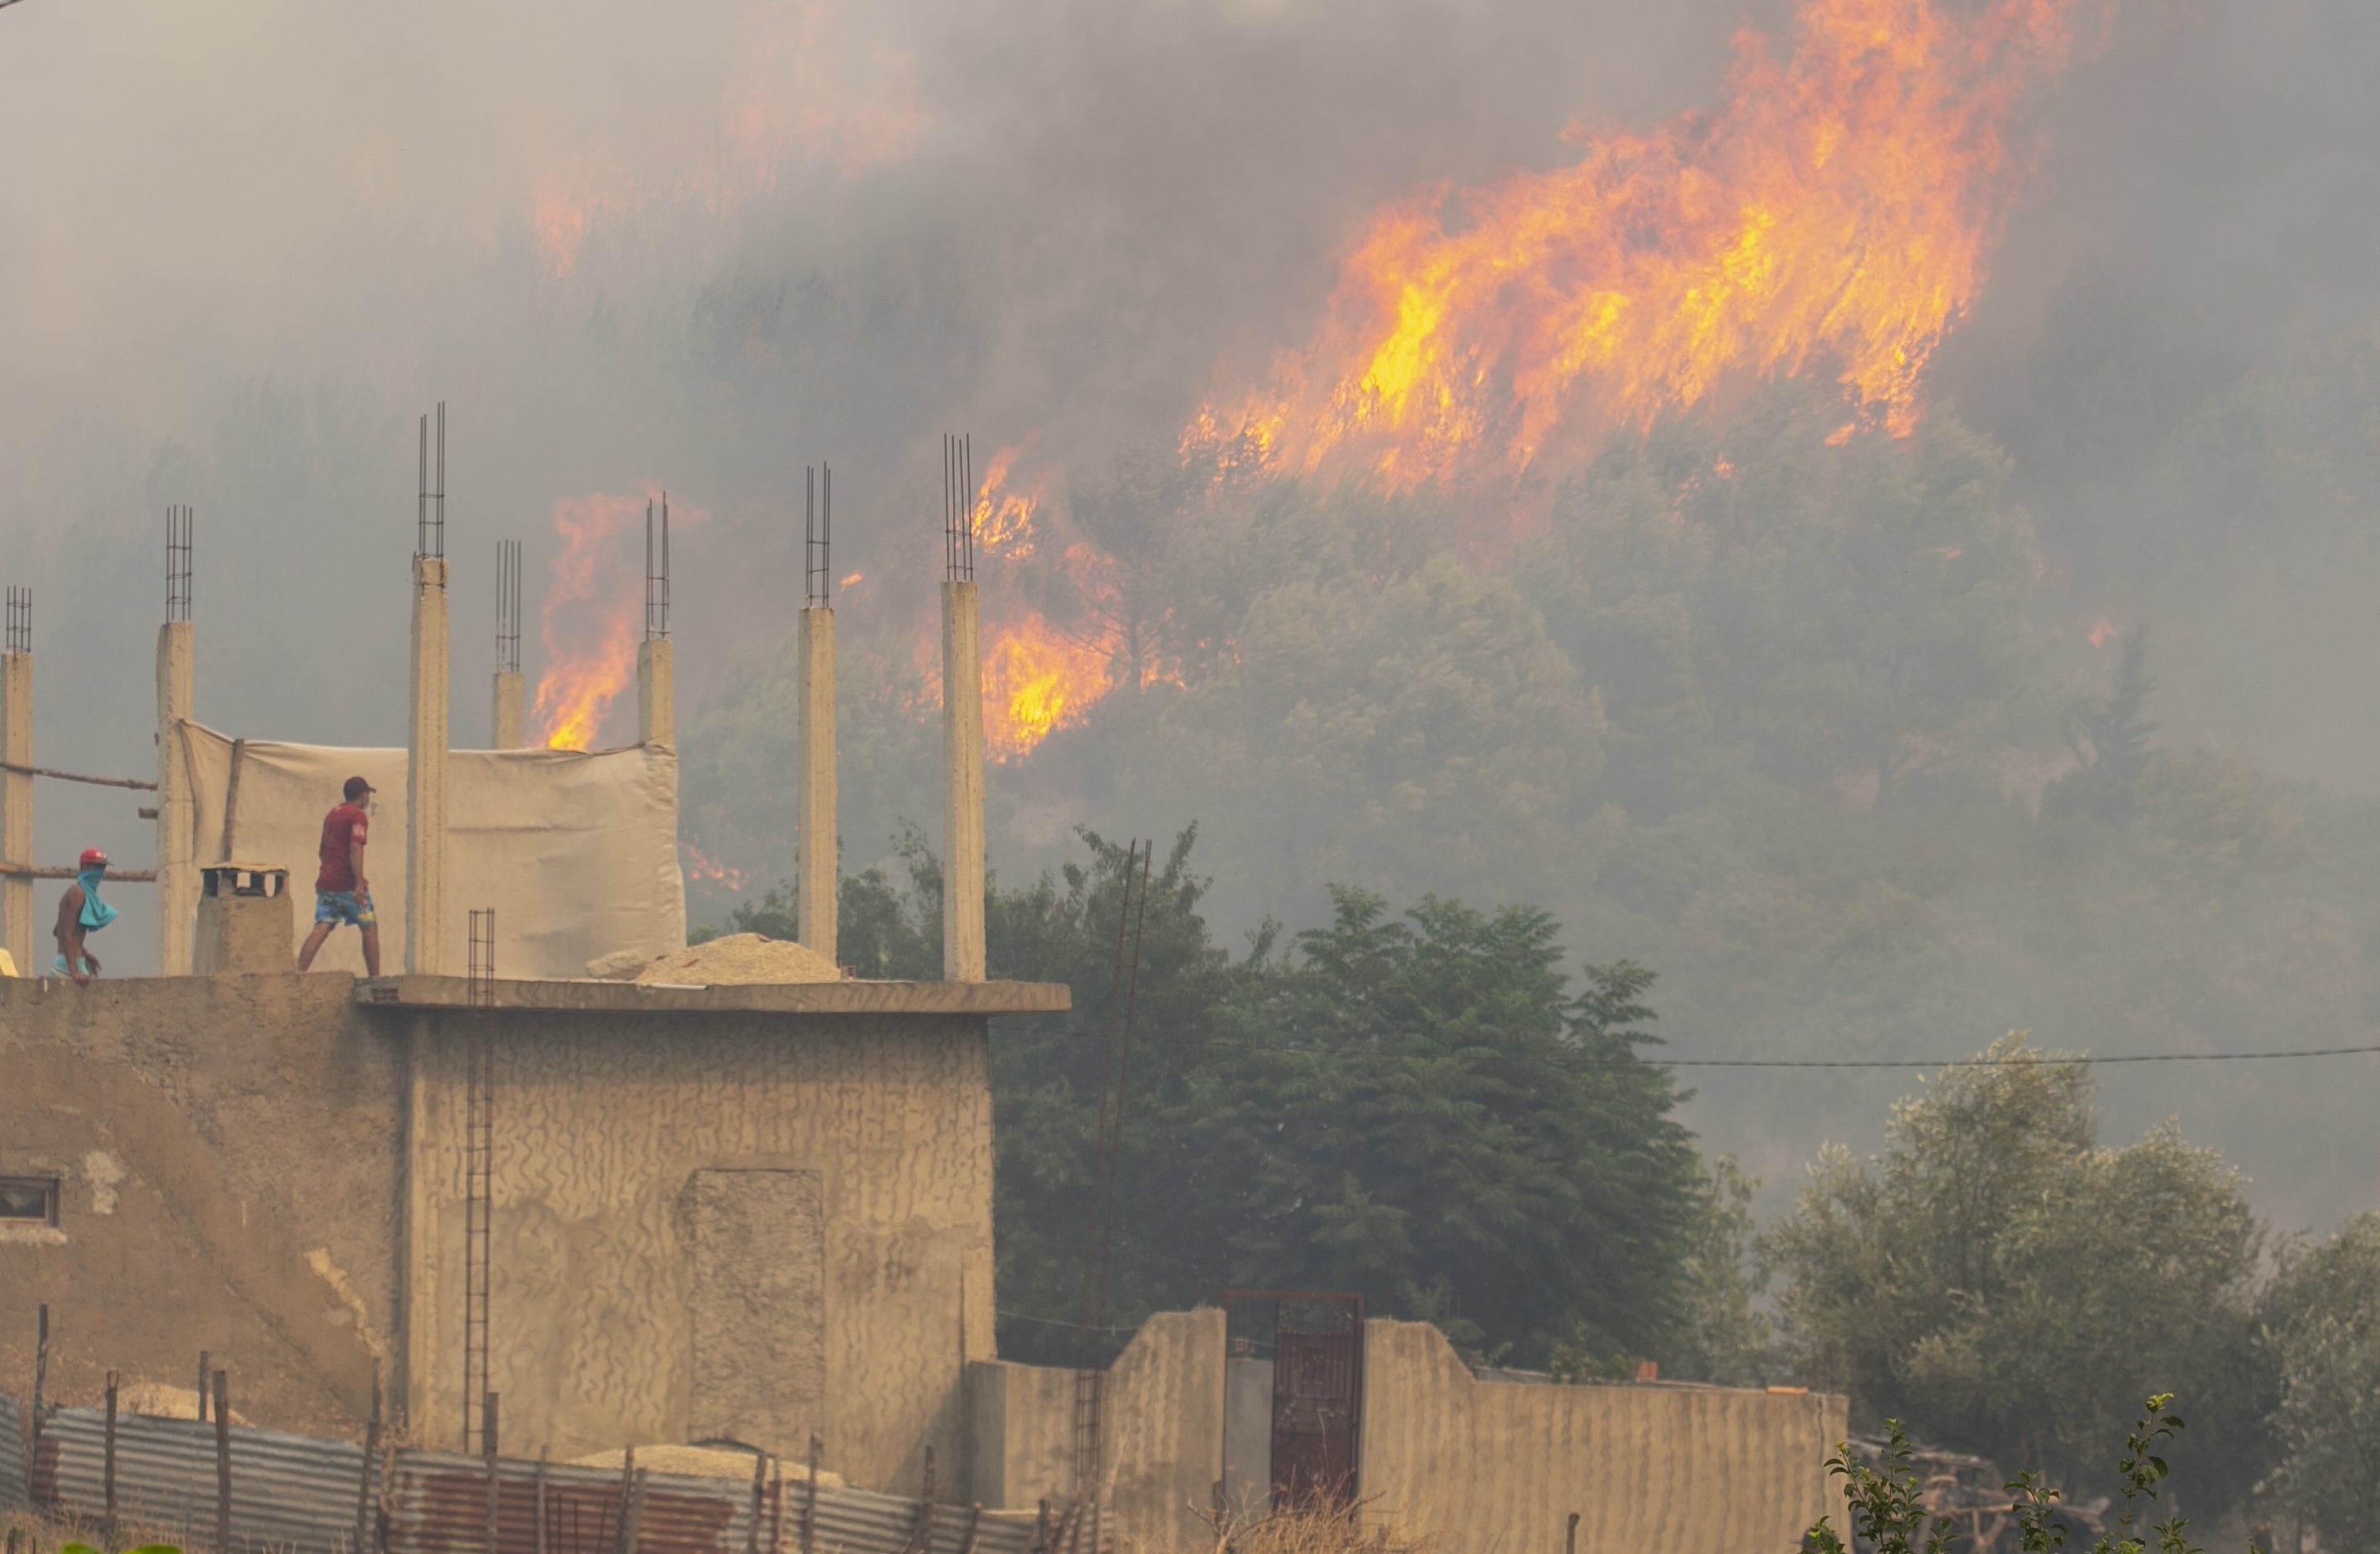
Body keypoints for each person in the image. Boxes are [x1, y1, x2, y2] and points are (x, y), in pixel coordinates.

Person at [298, 775, 381, 976]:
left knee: (322, 926)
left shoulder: (332, 814)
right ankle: (375, 978)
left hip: (326, 883)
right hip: (347, 884)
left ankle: (299, 973)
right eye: (367, 795)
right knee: (369, 926)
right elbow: (355, 849)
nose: (368, 799)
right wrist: (359, 884)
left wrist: (330, 870)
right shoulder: (357, 816)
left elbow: (321, 850)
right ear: (362, 796)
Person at [51, 846, 118, 984]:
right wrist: (74, 971)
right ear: (84, 866)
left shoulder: (84, 893)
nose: (100, 872)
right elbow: (65, 934)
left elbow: (58, 931)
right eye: (97, 867)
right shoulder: (78, 893)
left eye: (102, 868)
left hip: (75, 962)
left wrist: (85, 954)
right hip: (68, 967)